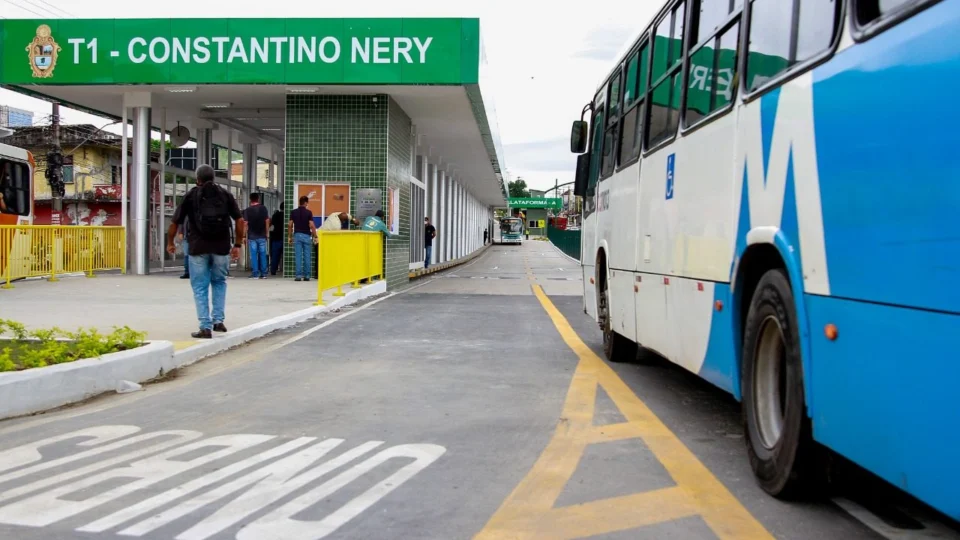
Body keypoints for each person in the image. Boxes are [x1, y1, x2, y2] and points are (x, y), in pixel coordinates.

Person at [166, 164, 244, 339]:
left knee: (200, 287)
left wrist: (170, 242)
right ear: (214, 178)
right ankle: (218, 320)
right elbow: (239, 221)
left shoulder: (191, 195)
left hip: (197, 248)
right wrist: (237, 245)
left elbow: (174, 222)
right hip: (221, 248)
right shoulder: (225, 194)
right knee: (219, 282)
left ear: (198, 179)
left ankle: (205, 327)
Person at [288, 195, 317, 282]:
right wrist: (315, 236)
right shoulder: (309, 212)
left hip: (297, 235)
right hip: (306, 236)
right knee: (307, 256)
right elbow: (311, 225)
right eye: (307, 203)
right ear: (305, 203)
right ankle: (307, 276)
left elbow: (290, 225)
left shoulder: (293, 212)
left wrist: (289, 236)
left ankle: (298, 276)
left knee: (298, 256)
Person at [241, 193, 270, 279]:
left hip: (252, 236)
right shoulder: (263, 208)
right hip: (262, 235)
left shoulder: (247, 210)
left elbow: (245, 224)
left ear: (250, 199)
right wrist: (267, 232)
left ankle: (255, 274)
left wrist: (243, 236)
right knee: (262, 254)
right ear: (258, 199)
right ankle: (264, 273)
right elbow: (267, 221)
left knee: (253, 255)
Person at [269, 202, 284, 276]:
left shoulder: (275, 215)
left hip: (276, 238)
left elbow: (272, 225)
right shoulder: (287, 216)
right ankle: (285, 270)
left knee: (275, 256)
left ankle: (273, 270)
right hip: (284, 237)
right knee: (285, 256)